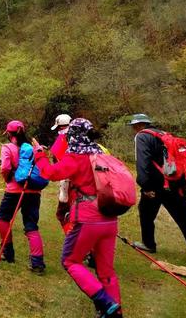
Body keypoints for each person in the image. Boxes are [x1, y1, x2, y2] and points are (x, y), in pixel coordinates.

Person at [36, 118, 122, 318]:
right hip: (109, 218)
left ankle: (105, 302)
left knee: (70, 260)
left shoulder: (76, 157)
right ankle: (116, 312)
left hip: (87, 219)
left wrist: (39, 154)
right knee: (106, 271)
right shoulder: (101, 154)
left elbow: (50, 173)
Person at [127, 113, 186, 270]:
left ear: (138, 125)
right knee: (185, 219)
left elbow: (142, 163)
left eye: (133, 126)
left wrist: (145, 186)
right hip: (176, 185)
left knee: (145, 212)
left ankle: (148, 244)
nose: (133, 129)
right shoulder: (163, 134)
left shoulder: (142, 137)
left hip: (157, 186)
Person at [0, 120, 46, 273]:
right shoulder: (32, 148)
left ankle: (7, 253)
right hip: (33, 190)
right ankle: (37, 262)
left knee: (4, 218)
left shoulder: (7, 148)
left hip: (14, 190)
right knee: (31, 224)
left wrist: (8, 179)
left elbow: (5, 167)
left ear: (9, 134)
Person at [50, 113, 73, 234]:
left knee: (62, 214)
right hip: (86, 184)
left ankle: (73, 240)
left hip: (68, 182)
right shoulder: (81, 137)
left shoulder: (63, 139)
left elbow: (57, 165)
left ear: (60, 127)